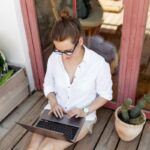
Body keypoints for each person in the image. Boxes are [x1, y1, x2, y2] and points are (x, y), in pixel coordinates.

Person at [27, 11, 112, 150]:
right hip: (55, 112)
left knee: (49, 146)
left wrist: (85, 110)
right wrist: (53, 103)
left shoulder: (99, 64)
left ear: (80, 41)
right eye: (58, 50)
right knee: (33, 146)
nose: (63, 56)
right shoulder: (54, 58)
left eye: (67, 51)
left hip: (81, 118)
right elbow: (48, 84)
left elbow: (106, 95)